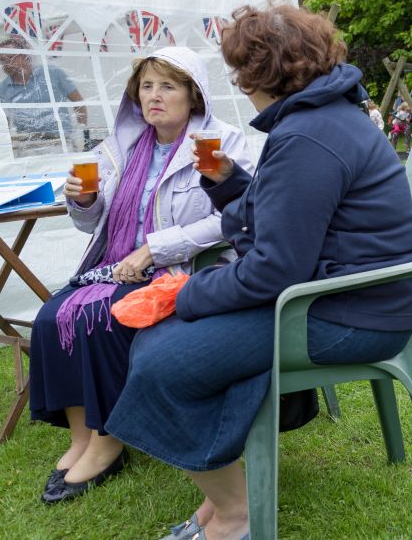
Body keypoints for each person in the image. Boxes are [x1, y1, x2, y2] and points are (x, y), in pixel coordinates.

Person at [104, 3, 412, 540]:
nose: (236, 80)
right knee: (168, 343)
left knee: (163, 360)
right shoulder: (324, 118)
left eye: (238, 68)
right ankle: (222, 494)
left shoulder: (308, 135)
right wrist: (230, 183)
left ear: (261, 70)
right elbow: (283, 213)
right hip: (341, 296)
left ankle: (235, 516)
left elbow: (275, 269)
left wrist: (185, 293)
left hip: (347, 313)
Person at [29, 47, 251, 505]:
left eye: (167, 86)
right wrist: (83, 200)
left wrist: (155, 247)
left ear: (194, 95)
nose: (154, 96)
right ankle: (81, 437)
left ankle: (108, 441)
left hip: (176, 270)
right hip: (115, 264)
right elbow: (92, 224)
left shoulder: (221, 142)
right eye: (146, 86)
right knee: (52, 318)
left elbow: (230, 218)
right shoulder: (120, 147)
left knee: (105, 319)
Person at [0, 36, 87, 154]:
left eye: (10, 58)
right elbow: (4, 122)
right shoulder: (2, 89)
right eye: (2, 60)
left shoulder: (52, 74)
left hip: (61, 144)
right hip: (26, 148)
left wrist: (81, 131)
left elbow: (78, 102)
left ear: (24, 55)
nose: (6, 64)